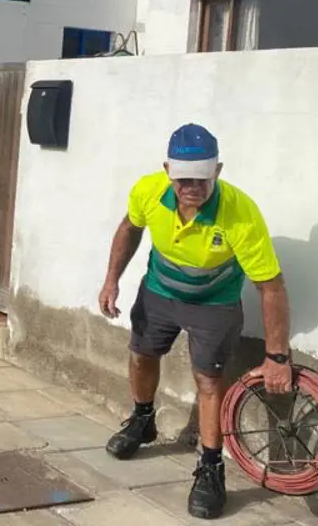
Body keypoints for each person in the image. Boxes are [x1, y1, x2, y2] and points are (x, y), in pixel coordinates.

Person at [97, 123, 293, 521]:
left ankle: (210, 468)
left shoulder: (240, 214)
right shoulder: (148, 191)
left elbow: (270, 286)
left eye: (201, 179)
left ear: (217, 171)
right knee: (141, 354)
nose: (192, 187)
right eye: (183, 178)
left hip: (214, 304)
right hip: (159, 292)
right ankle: (142, 419)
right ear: (167, 170)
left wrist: (277, 356)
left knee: (208, 382)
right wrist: (111, 280)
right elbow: (130, 228)